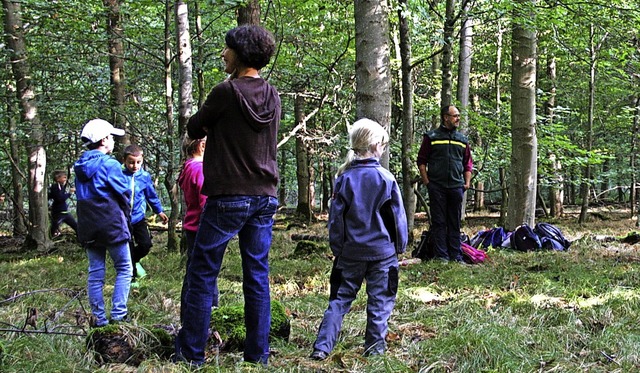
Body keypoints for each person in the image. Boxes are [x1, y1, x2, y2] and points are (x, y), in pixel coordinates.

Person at [175, 24, 280, 367]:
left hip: (227, 196)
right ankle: (258, 355)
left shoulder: (226, 92)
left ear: (240, 54)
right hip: (264, 197)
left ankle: (191, 355)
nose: (223, 54)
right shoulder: (272, 95)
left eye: (227, 49)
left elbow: (193, 128)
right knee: (257, 274)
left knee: (202, 272)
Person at [310, 118, 408, 361]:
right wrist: (400, 246)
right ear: (374, 145)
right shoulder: (386, 179)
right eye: (383, 145)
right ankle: (374, 352)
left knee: (339, 301)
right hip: (382, 255)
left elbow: (336, 219)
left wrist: (338, 247)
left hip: (350, 253)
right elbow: (397, 219)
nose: (383, 149)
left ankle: (322, 348)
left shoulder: (343, 178)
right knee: (380, 304)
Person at [73, 118, 132, 327]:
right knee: (125, 268)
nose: (114, 141)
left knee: (96, 272)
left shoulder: (79, 166)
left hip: (87, 222)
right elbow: (124, 192)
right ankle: (118, 315)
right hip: (110, 221)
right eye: (112, 137)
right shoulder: (110, 164)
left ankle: (98, 319)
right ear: (105, 140)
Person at [416, 105, 473, 262]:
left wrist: (466, 183)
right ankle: (442, 256)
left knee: (454, 222)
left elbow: (468, 163)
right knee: (439, 222)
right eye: (455, 116)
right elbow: (421, 160)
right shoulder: (432, 137)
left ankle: (456, 255)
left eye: (458, 116)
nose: (458, 119)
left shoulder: (462, 140)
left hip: (456, 187)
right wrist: (428, 182)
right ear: (445, 117)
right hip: (437, 187)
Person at [177, 135, 218, 323]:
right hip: (202, 226)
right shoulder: (199, 169)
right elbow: (205, 201)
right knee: (205, 273)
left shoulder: (188, 167)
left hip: (192, 225)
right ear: (202, 146)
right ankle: (207, 316)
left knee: (194, 271)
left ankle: (190, 316)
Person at [121, 144, 169, 285]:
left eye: (138, 162)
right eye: (131, 162)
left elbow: (151, 195)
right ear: (124, 160)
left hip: (138, 218)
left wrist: (158, 210)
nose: (135, 166)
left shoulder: (144, 176)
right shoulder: (118, 174)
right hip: (122, 219)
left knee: (145, 244)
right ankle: (132, 278)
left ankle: (134, 261)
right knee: (127, 246)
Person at [48, 170, 78, 237]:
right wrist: (69, 193)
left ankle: (82, 241)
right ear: (58, 179)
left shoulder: (61, 187)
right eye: (64, 177)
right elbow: (60, 198)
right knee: (54, 228)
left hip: (65, 212)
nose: (65, 179)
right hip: (58, 213)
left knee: (75, 226)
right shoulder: (55, 187)